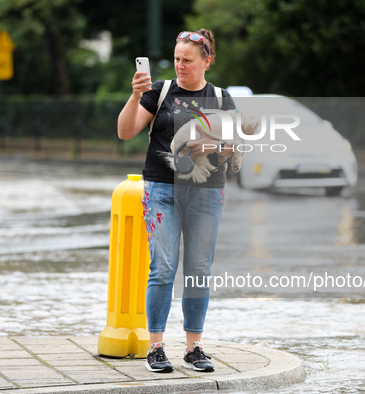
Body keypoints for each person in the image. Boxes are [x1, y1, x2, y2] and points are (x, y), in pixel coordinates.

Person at [117, 29, 235, 373]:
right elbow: (125, 132)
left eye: (187, 60)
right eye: (176, 59)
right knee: (164, 267)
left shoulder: (221, 98)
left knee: (198, 270)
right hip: (161, 191)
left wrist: (209, 146)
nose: (180, 65)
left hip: (207, 193)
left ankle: (193, 347)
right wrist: (134, 96)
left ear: (206, 62)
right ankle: (156, 348)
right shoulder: (160, 91)